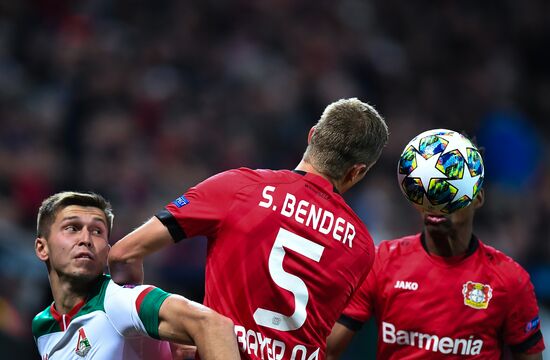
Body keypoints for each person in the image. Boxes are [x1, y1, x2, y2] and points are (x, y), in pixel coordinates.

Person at [108, 97, 389, 359]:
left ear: (312, 135)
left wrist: (148, 329)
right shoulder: (362, 247)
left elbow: (124, 253)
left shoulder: (239, 188)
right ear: (358, 171)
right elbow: (323, 344)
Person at [326, 150, 545, 358]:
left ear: (477, 198)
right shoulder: (383, 261)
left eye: (449, 191)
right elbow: (328, 351)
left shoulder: (510, 280)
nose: (436, 201)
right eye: (427, 190)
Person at [32, 191, 240, 360]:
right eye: (72, 228)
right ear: (43, 248)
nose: (86, 239)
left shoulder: (119, 301)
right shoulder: (42, 326)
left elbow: (212, 325)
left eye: (97, 231)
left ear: (107, 251)